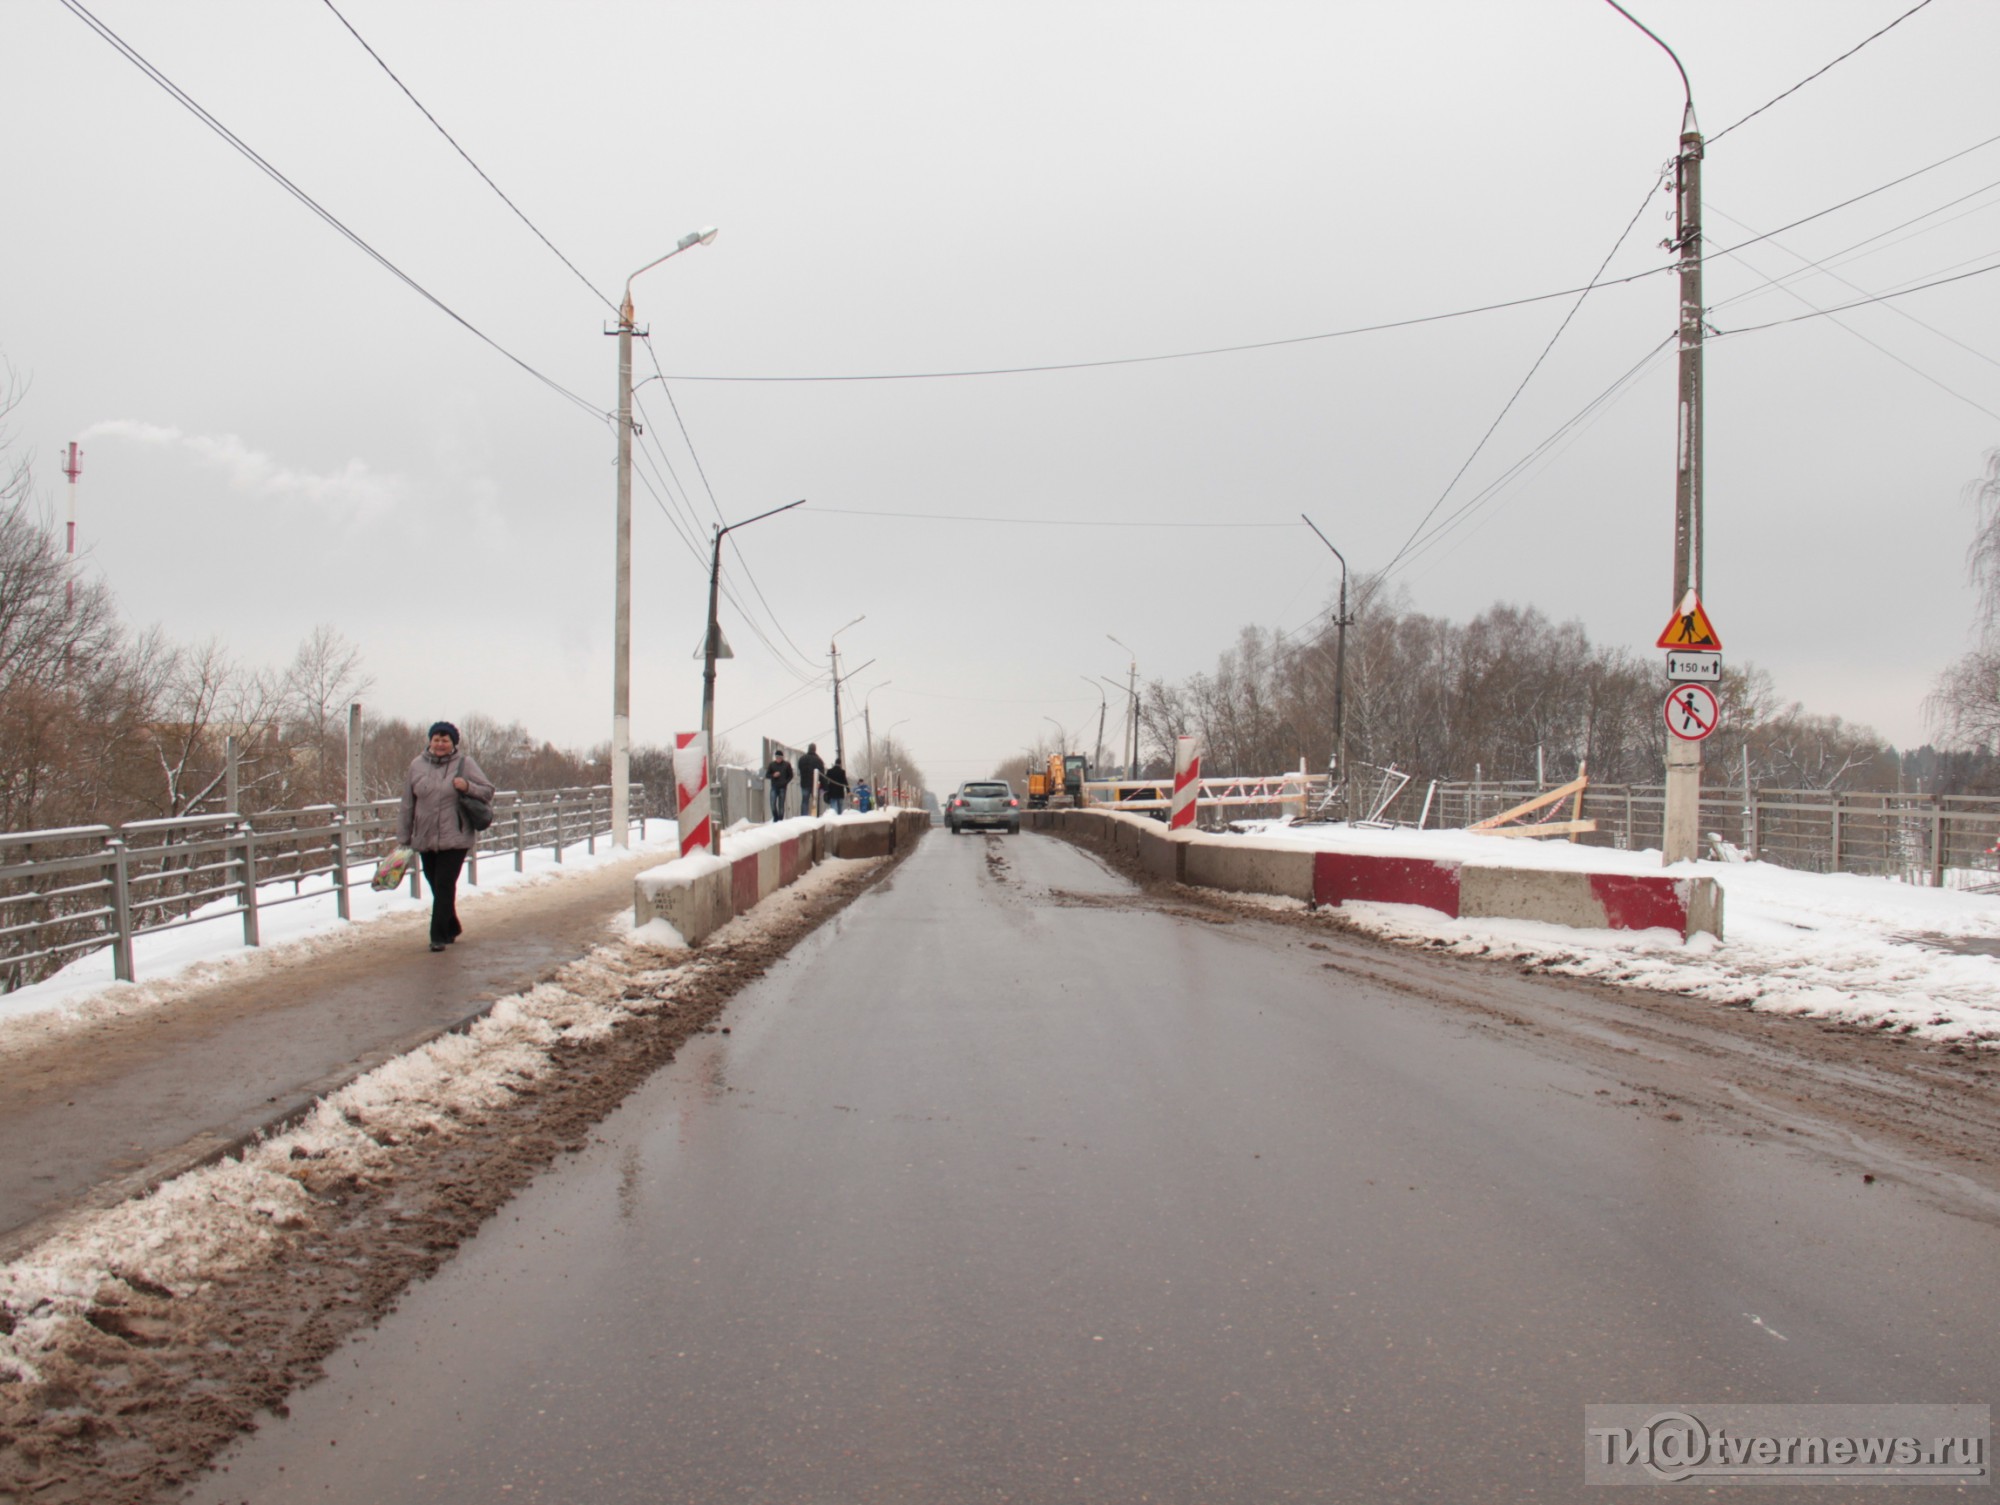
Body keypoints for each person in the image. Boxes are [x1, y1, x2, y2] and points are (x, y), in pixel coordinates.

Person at [398, 721, 495, 953]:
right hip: (425, 837)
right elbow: (407, 804)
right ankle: (452, 925)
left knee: (443, 883)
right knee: (435, 883)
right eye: (436, 739)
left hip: (456, 836)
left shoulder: (465, 764)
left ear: (453, 743)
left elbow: (488, 791)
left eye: (445, 740)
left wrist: (467, 786)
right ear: (430, 741)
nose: (440, 744)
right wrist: (404, 836)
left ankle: (438, 936)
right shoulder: (417, 766)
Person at [795, 742, 825, 815]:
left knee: (805, 800)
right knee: (814, 800)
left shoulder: (802, 759)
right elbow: (822, 773)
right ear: (815, 749)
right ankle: (814, 815)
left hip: (804, 783)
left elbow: (799, 768)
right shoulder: (818, 760)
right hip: (814, 784)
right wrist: (822, 784)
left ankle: (804, 816)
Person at [765, 750, 795, 821]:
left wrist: (785, 782)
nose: (778, 759)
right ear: (775, 757)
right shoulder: (772, 765)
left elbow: (790, 775)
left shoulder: (786, 765)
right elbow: (767, 775)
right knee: (772, 803)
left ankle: (780, 820)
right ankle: (775, 817)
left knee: (781, 805)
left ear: (782, 758)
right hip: (774, 787)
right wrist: (773, 775)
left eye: (780, 757)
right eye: (777, 757)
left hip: (782, 787)